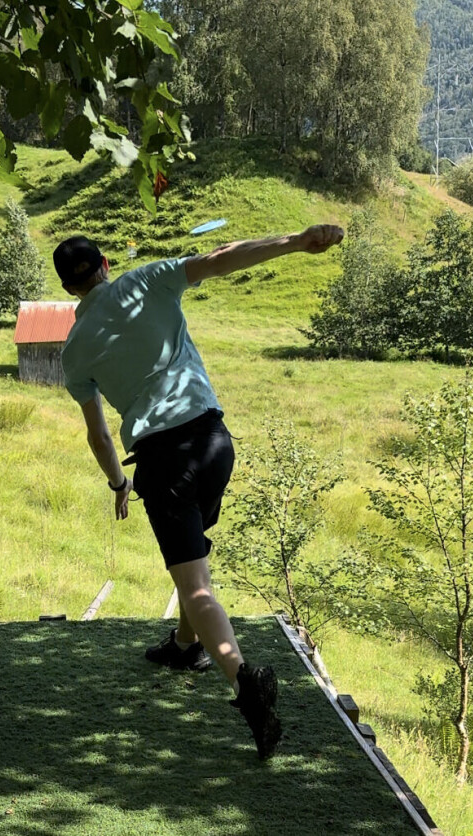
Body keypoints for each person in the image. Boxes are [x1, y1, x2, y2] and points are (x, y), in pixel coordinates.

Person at [56, 224, 344, 760]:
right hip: (215, 444)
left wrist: (120, 483)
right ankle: (187, 648)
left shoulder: (75, 350)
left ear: (70, 289)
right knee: (196, 552)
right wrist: (297, 240)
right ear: (105, 266)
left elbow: (97, 434)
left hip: (164, 465)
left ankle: (244, 681)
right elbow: (221, 258)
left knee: (194, 584)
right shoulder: (148, 280)